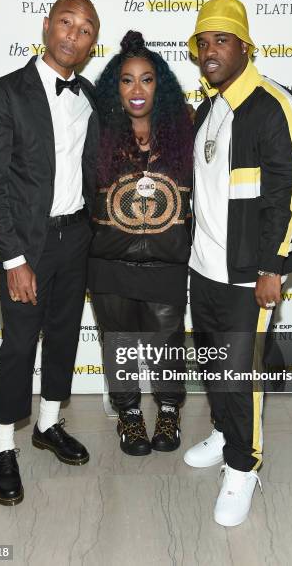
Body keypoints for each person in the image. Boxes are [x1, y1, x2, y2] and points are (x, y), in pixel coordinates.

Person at [183, 0, 292, 526]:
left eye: (222, 40)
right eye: (203, 42)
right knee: (217, 366)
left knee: (244, 373)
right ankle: (223, 430)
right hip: (203, 267)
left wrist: (273, 267)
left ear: (245, 46)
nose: (210, 52)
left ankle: (243, 466)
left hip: (247, 275)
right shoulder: (207, 109)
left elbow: (290, 190)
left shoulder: (273, 103)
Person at [0, 0, 100, 506]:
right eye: (66, 23)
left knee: (65, 335)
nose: (74, 34)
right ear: (46, 25)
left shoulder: (91, 95)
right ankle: (3, 447)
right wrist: (12, 258)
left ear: (94, 43)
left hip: (79, 238)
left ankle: (48, 424)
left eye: (86, 29)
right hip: (28, 244)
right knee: (20, 344)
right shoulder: (6, 92)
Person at [88, 31, 193, 456]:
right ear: (115, 87)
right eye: (127, 80)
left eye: (146, 79)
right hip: (110, 264)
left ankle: (169, 410)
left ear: (159, 86)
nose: (136, 89)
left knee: (167, 342)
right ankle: (128, 415)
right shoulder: (95, 136)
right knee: (118, 343)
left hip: (167, 264)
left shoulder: (184, 133)